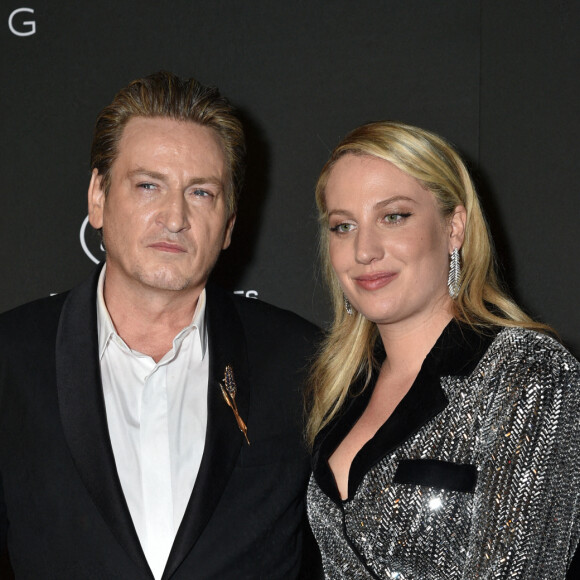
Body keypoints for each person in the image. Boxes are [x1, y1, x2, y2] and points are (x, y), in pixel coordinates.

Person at [0, 71, 319, 579]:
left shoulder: (302, 361)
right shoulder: (12, 360)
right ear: (98, 198)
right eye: (149, 185)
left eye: (201, 193)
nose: (174, 217)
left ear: (230, 224)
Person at [306, 120, 580, 579]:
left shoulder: (528, 372)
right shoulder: (342, 389)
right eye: (343, 225)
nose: (364, 249)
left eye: (393, 216)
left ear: (454, 228)